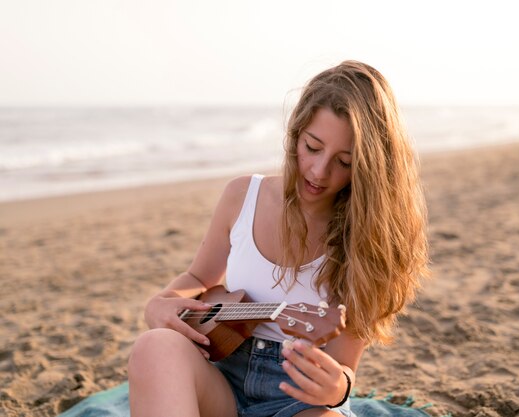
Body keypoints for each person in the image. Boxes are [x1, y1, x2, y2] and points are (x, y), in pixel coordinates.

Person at [127, 60, 429, 417]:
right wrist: (160, 302)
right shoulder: (242, 196)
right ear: (295, 134)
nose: (319, 172)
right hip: (223, 380)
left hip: (297, 398)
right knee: (154, 348)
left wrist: (338, 387)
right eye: (313, 147)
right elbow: (198, 279)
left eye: (344, 162)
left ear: (367, 167)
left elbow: (346, 367)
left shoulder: (368, 238)